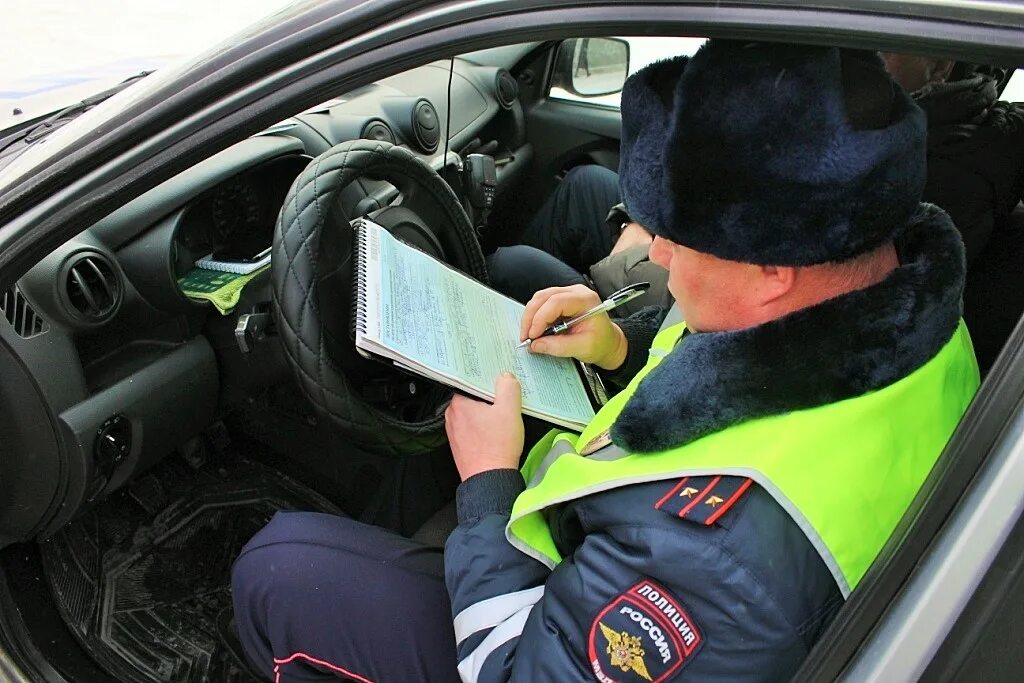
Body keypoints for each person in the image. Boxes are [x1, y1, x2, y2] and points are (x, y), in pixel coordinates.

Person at [230, 42, 980, 682]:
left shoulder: (724, 562)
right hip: (623, 549)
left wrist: (487, 485)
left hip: (568, 610)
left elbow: (520, 668)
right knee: (524, 269)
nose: (655, 250)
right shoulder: (906, 315)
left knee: (279, 568)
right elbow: (730, 373)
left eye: (680, 239)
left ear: (772, 270)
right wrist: (618, 349)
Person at [493, 52, 1024, 307]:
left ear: (941, 63)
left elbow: (771, 233)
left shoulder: (939, 163)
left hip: (754, 290)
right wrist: (641, 220)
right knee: (586, 184)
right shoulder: (905, 117)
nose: (857, 53)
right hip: (757, 264)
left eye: (882, 44)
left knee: (512, 267)